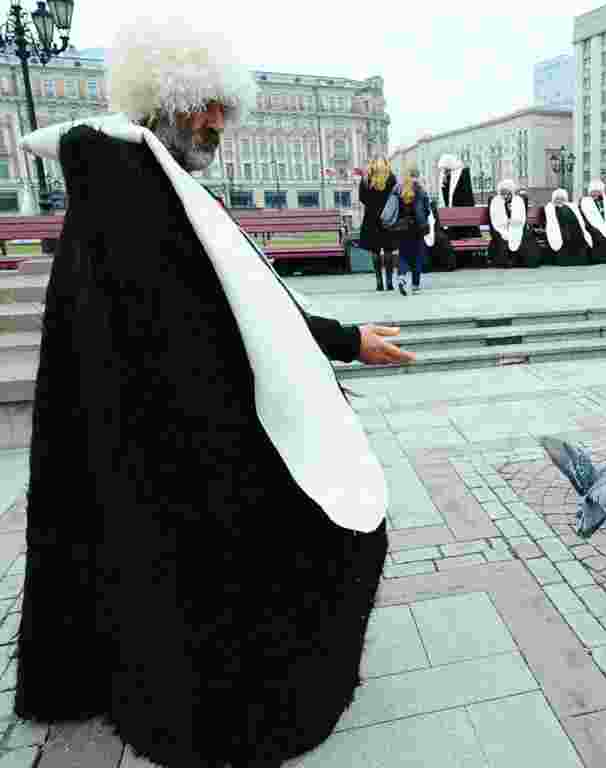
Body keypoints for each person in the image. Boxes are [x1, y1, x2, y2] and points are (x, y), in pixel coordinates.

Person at [14, 15, 416, 768]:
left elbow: (251, 306)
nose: (217, 125)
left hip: (181, 429)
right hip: (178, 440)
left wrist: (347, 341)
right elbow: (188, 331)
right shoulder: (126, 191)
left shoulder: (149, 183)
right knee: (313, 537)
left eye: (223, 109)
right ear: (162, 100)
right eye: (205, 107)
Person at [359, 157, 399, 291]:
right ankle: (389, 283)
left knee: (375, 250)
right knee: (388, 249)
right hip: (388, 218)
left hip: (371, 218)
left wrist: (372, 206)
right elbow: (396, 196)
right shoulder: (391, 177)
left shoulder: (366, 179)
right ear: (386, 164)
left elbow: (362, 198)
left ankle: (379, 283)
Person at [392, 163, 431, 295]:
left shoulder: (397, 188)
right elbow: (426, 210)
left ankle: (402, 277)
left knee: (403, 254)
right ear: (417, 176)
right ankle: (415, 285)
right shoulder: (420, 189)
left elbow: (393, 208)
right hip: (417, 228)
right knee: (417, 256)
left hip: (401, 227)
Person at [487, 179, 541, 268]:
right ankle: (507, 261)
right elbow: (495, 219)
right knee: (503, 240)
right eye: (503, 193)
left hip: (516, 228)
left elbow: (521, 218)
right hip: (501, 230)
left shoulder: (518, 201)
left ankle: (521, 261)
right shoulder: (495, 201)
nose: (505, 196)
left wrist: (512, 220)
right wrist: (506, 222)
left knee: (526, 240)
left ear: (511, 193)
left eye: (507, 193)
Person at [539, 188, 592, 267]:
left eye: (561, 198)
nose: (559, 200)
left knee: (577, 238)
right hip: (560, 231)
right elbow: (548, 223)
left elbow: (579, 220)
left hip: (574, 231)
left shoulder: (571, 207)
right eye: (557, 198)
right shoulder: (550, 208)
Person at [437, 153, 480, 247]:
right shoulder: (446, 178)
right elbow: (445, 201)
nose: (444, 173)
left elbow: (467, 199)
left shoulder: (463, 174)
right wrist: (444, 185)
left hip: (464, 223)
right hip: (453, 222)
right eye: (444, 171)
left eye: (447, 170)